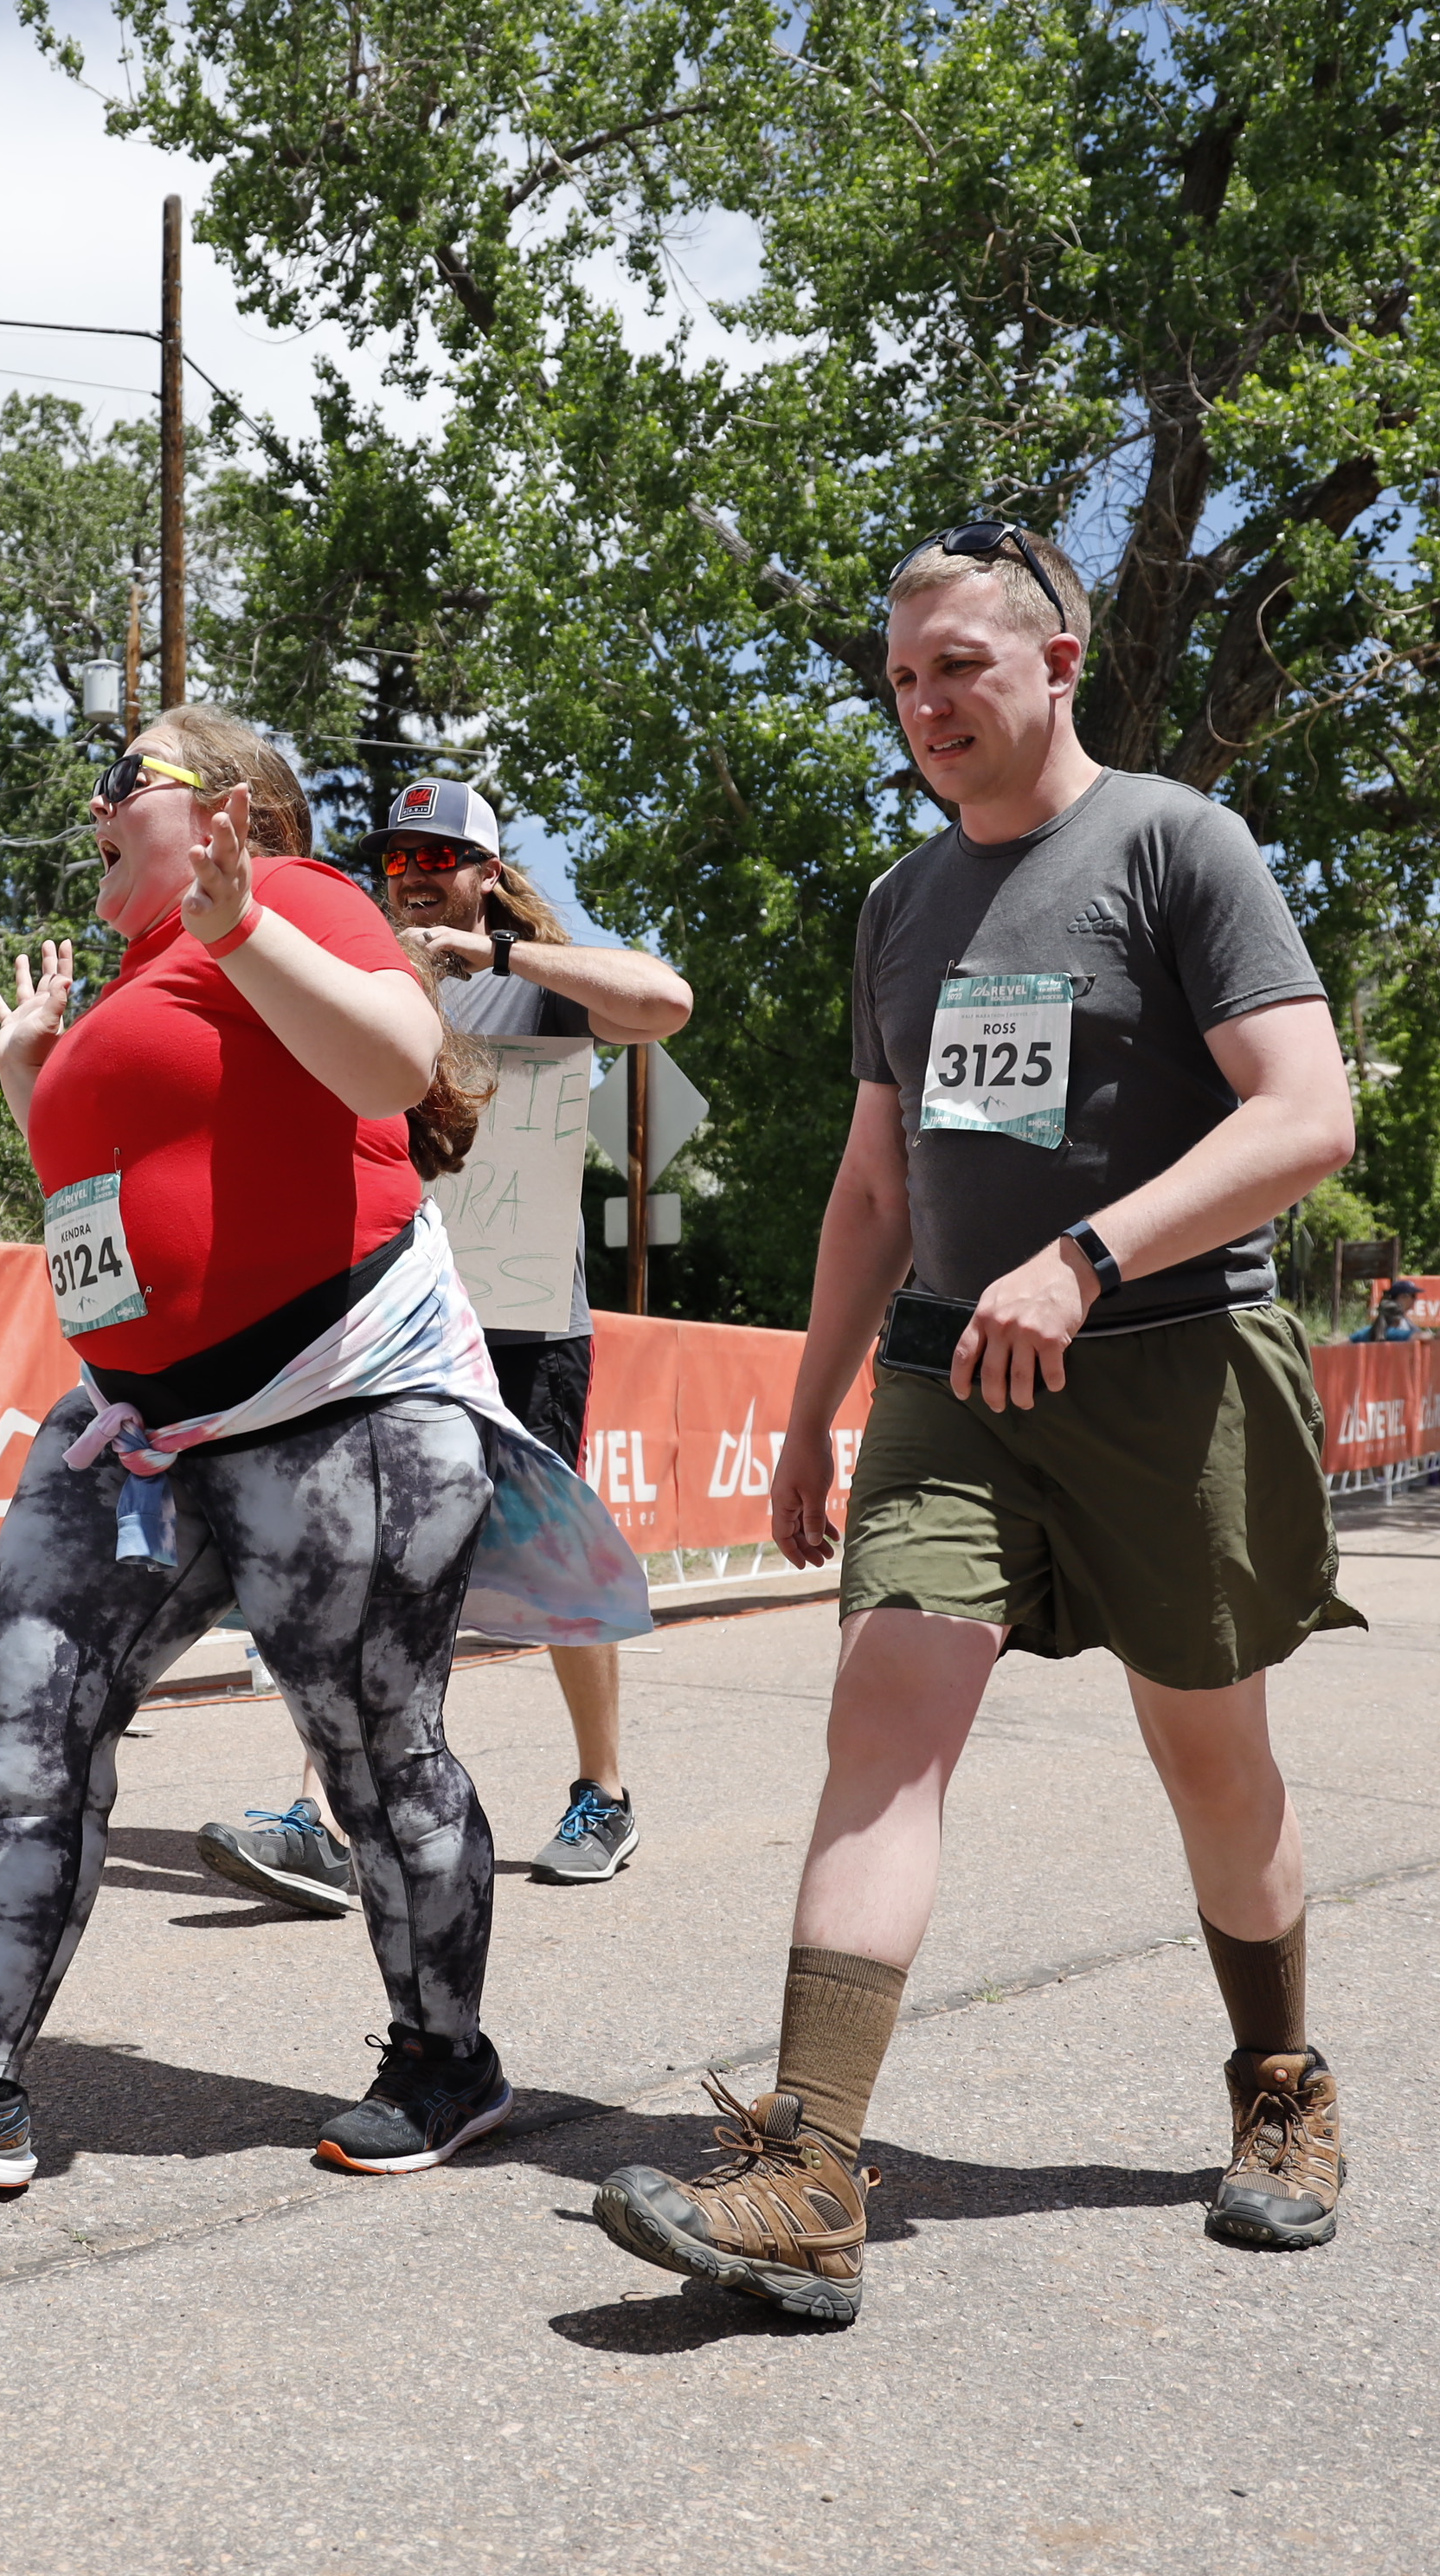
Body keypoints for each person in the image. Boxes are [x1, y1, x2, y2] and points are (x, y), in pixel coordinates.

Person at [587, 518, 1365, 2323]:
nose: (925, 703)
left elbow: (1306, 1114)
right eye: (901, 677)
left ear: (1058, 661)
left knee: (1213, 1761)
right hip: (952, 1374)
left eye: (960, 665)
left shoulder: (1175, 843)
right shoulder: (903, 903)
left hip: (1172, 1360)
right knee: (885, 1718)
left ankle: (1279, 2083)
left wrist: (1089, 1257)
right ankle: (809, 2174)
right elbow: (876, 1187)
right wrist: (807, 1415)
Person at [0, 707, 645, 2193]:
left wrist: (241, 922)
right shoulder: (136, 982)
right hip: (142, 1431)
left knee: (375, 1748)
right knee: (34, 1717)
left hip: (342, 1401)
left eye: (126, 779)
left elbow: (394, 1066)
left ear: (229, 808)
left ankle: (447, 2060)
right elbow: (107, 1199)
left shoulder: (300, 898)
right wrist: (29, 1073)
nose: (95, 807)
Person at [195, 778, 695, 1911]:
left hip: (526, 1322)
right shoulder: (360, 980)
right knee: (358, 1560)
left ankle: (603, 1792)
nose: (414, 873)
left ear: (486, 874)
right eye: (397, 857)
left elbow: (665, 1002)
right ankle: (326, 1817)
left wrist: (497, 956)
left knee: (555, 1563)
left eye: (439, 854)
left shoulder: (536, 986)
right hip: (391, 1320)